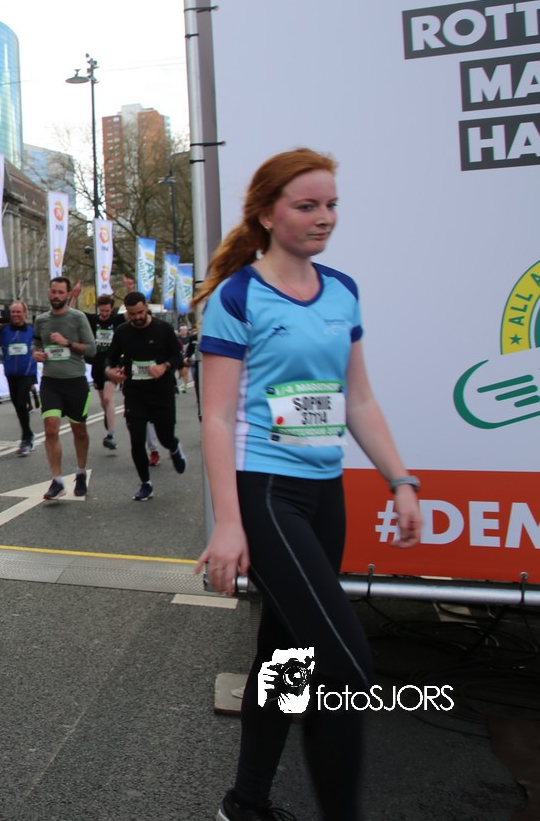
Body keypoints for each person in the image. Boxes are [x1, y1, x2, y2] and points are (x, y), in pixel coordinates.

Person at [193, 148, 423, 821]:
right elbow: (216, 417)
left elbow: (358, 400)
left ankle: (245, 804)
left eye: (331, 205)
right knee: (345, 665)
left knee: (287, 652)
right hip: (267, 492)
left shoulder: (342, 289)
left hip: (326, 493)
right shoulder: (238, 296)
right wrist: (228, 523)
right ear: (267, 215)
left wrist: (400, 479)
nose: (324, 217)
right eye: (307, 205)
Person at [104, 291, 186, 501]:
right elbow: (111, 358)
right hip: (135, 393)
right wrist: (110, 371)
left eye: (140, 312)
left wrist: (164, 366)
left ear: (146, 307)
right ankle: (145, 483)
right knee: (137, 440)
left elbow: (178, 356)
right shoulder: (122, 332)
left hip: (161, 392)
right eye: (132, 314)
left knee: (165, 437)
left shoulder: (163, 329)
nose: (137, 317)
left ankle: (174, 447)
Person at [32, 277, 96, 500]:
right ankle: (57, 480)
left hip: (75, 381)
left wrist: (66, 342)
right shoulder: (41, 320)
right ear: (48, 293)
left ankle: (80, 472)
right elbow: (36, 343)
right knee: (51, 430)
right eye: (53, 291)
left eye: (61, 292)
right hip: (51, 382)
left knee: (79, 430)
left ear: (68, 295)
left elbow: (91, 349)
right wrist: (36, 353)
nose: (57, 296)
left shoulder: (78, 318)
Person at [87, 295, 127, 450]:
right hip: (97, 365)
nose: (104, 314)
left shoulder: (117, 320)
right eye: (102, 311)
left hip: (112, 364)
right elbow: (71, 311)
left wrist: (131, 289)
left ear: (112, 309)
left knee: (108, 398)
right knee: (104, 401)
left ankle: (111, 435)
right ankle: (107, 415)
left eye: (107, 311)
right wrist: (74, 296)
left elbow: (130, 311)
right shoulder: (93, 320)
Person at [0, 301, 38, 456]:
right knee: (18, 406)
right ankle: (28, 434)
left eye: (18, 312)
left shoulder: (32, 330)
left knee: (22, 402)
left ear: (24, 313)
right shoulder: (4, 330)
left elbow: (41, 343)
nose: (15, 315)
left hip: (27, 373)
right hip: (11, 374)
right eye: (13, 312)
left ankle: (26, 439)